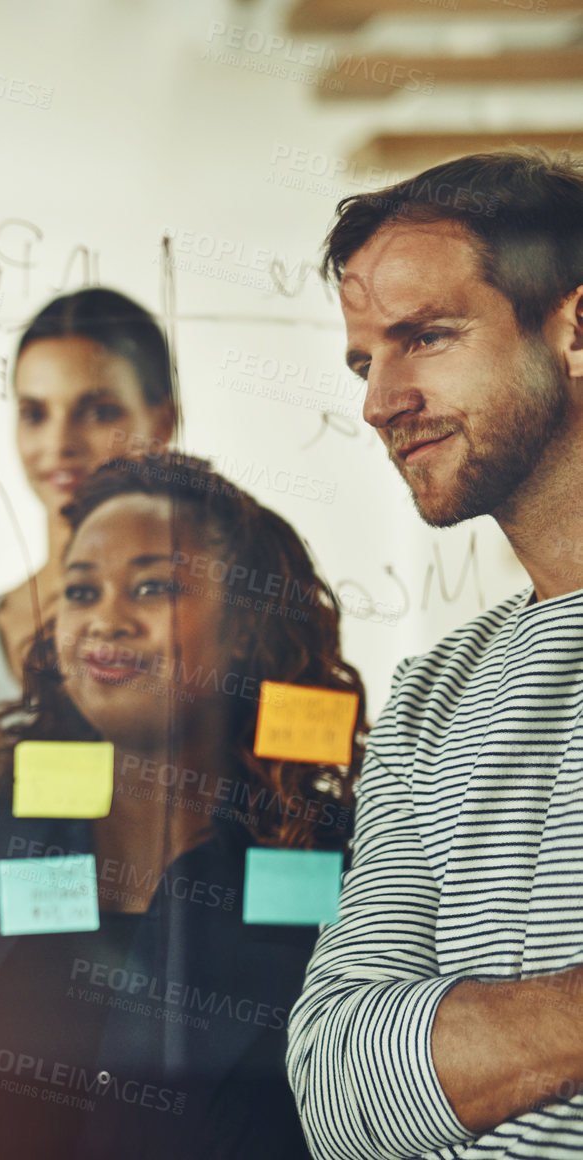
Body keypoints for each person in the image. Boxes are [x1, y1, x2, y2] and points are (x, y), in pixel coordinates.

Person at [286, 149, 583, 1159]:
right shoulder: (432, 696)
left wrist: (451, 1049)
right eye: (367, 359)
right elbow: (333, 1083)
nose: (380, 400)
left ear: (574, 328)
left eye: (426, 337)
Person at [0, 452, 362, 1159]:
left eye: (152, 587)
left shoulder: (334, 867)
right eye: (81, 592)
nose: (106, 622)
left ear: (242, 627)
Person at [0, 288, 177, 743]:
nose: (59, 444)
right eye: (35, 414)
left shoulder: (216, 629)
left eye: (98, 412)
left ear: (163, 424)